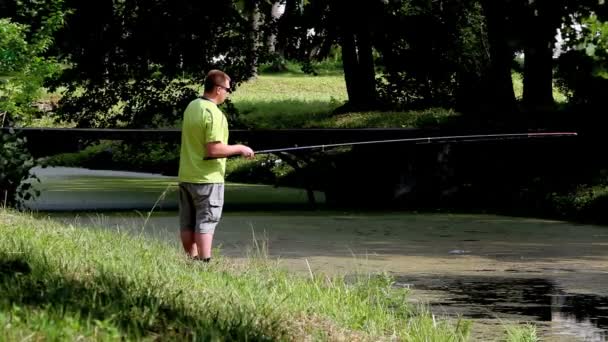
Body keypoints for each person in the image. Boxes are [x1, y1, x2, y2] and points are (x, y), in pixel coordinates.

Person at [178, 69, 254, 262]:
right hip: (208, 179)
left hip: (186, 175)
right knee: (206, 221)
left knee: (188, 223)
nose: (228, 93)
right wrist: (240, 148)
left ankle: (191, 260)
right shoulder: (215, 114)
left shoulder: (192, 106)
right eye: (228, 89)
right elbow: (214, 150)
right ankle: (204, 262)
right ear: (219, 89)